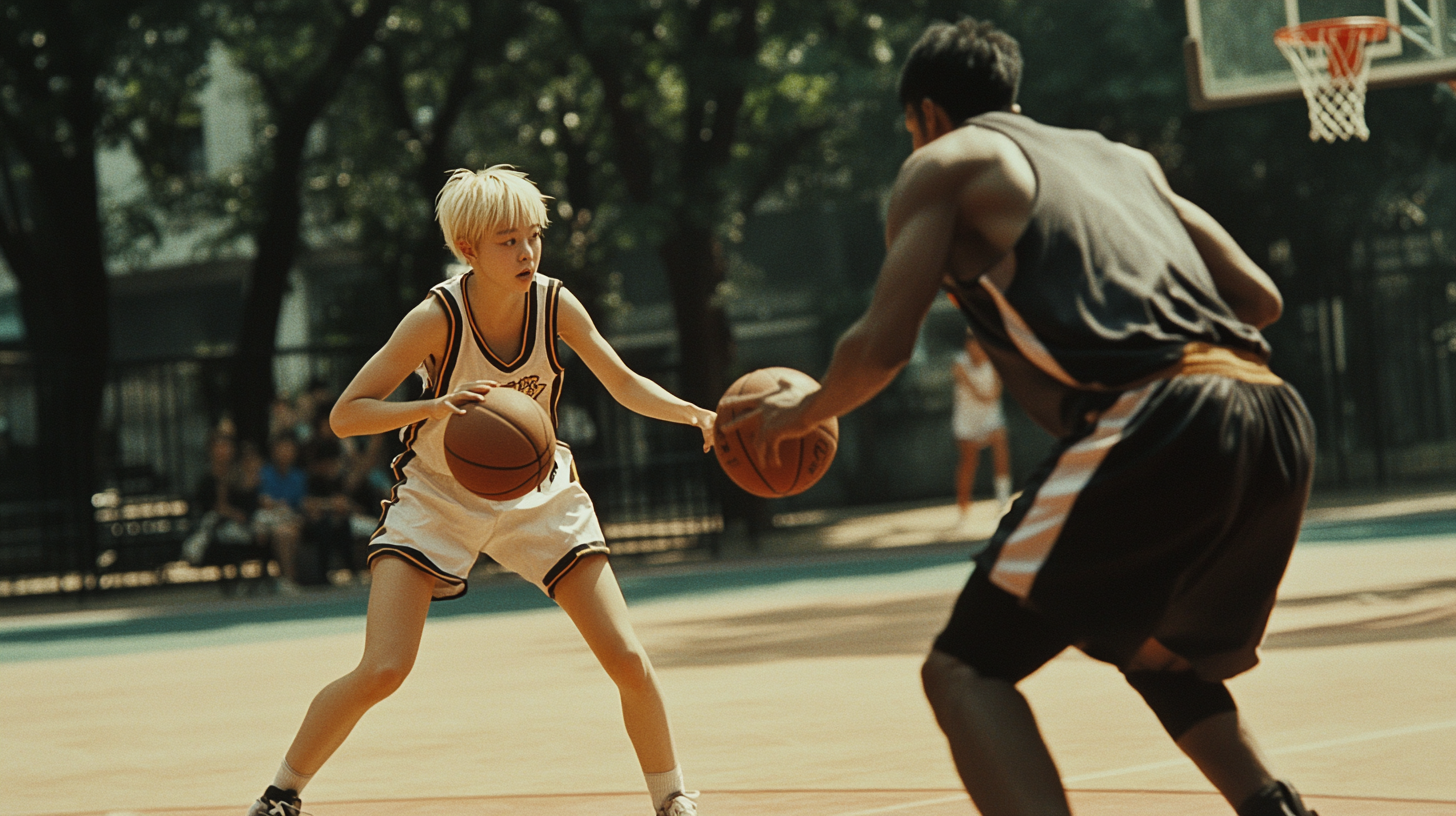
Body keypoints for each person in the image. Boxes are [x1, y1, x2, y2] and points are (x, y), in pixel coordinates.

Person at [723, 18, 1318, 816]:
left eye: (909, 129)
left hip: (1161, 416)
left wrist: (807, 408)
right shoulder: (1122, 161)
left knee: (964, 668)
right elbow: (1260, 300)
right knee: (1161, 654)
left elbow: (882, 345)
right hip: (1272, 415)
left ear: (926, 114)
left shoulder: (945, 162)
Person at [244, 165, 716, 816]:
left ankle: (673, 801)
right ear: (469, 250)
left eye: (532, 237)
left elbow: (625, 381)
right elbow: (346, 413)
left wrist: (696, 413)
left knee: (628, 659)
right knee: (384, 669)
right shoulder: (436, 318)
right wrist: (433, 407)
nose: (526, 252)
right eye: (507, 241)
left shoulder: (554, 304)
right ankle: (280, 793)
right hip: (436, 496)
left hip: (538, 494)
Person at [950, 329, 1011, 521]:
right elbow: (976, 390)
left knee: (1000, 444)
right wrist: (985, 396)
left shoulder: (994, 362)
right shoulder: (958, 362)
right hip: (966, 420)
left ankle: (1003, 501)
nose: (974, 349)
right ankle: (963, 511)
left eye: (978, 344)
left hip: (991, 417)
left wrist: (989, 397)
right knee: (968, 463)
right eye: (971, 344)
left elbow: (995, 392)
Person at [255, 431, 307, 591]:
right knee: (283, 534)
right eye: (281, 448)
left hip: (293, 519)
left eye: (289, 449)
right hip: (270, 522)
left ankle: (289, 579)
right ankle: (287, 579)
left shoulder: (299, 476)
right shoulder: (264, 473)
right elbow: (262, 500)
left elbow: (301, 504)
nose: (285, 453)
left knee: (289, 532)